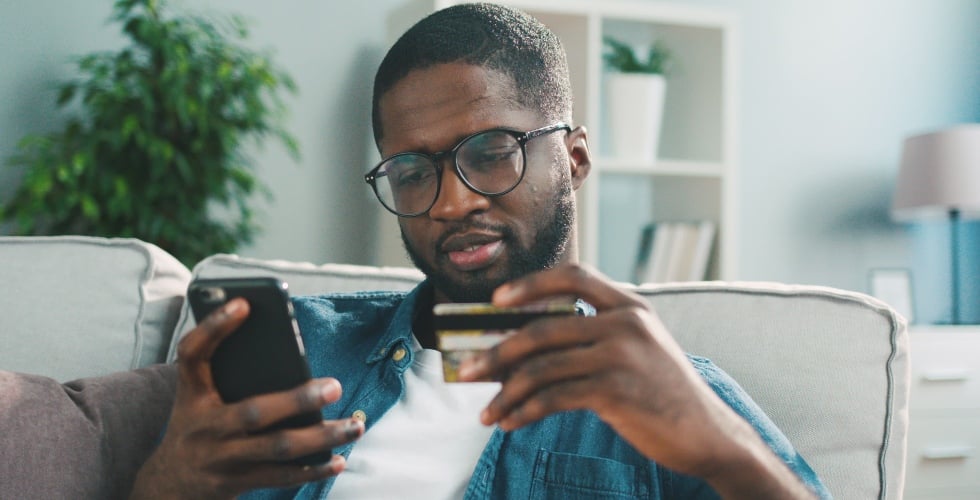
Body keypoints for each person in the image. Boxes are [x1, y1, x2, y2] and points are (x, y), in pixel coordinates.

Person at [131, 3, 830, 499]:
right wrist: (169, 484)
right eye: (412, 172)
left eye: (491, 153)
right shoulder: (306, 350)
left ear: (576, 158)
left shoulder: (668, 391)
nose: (450, 201)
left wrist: (717, 444)